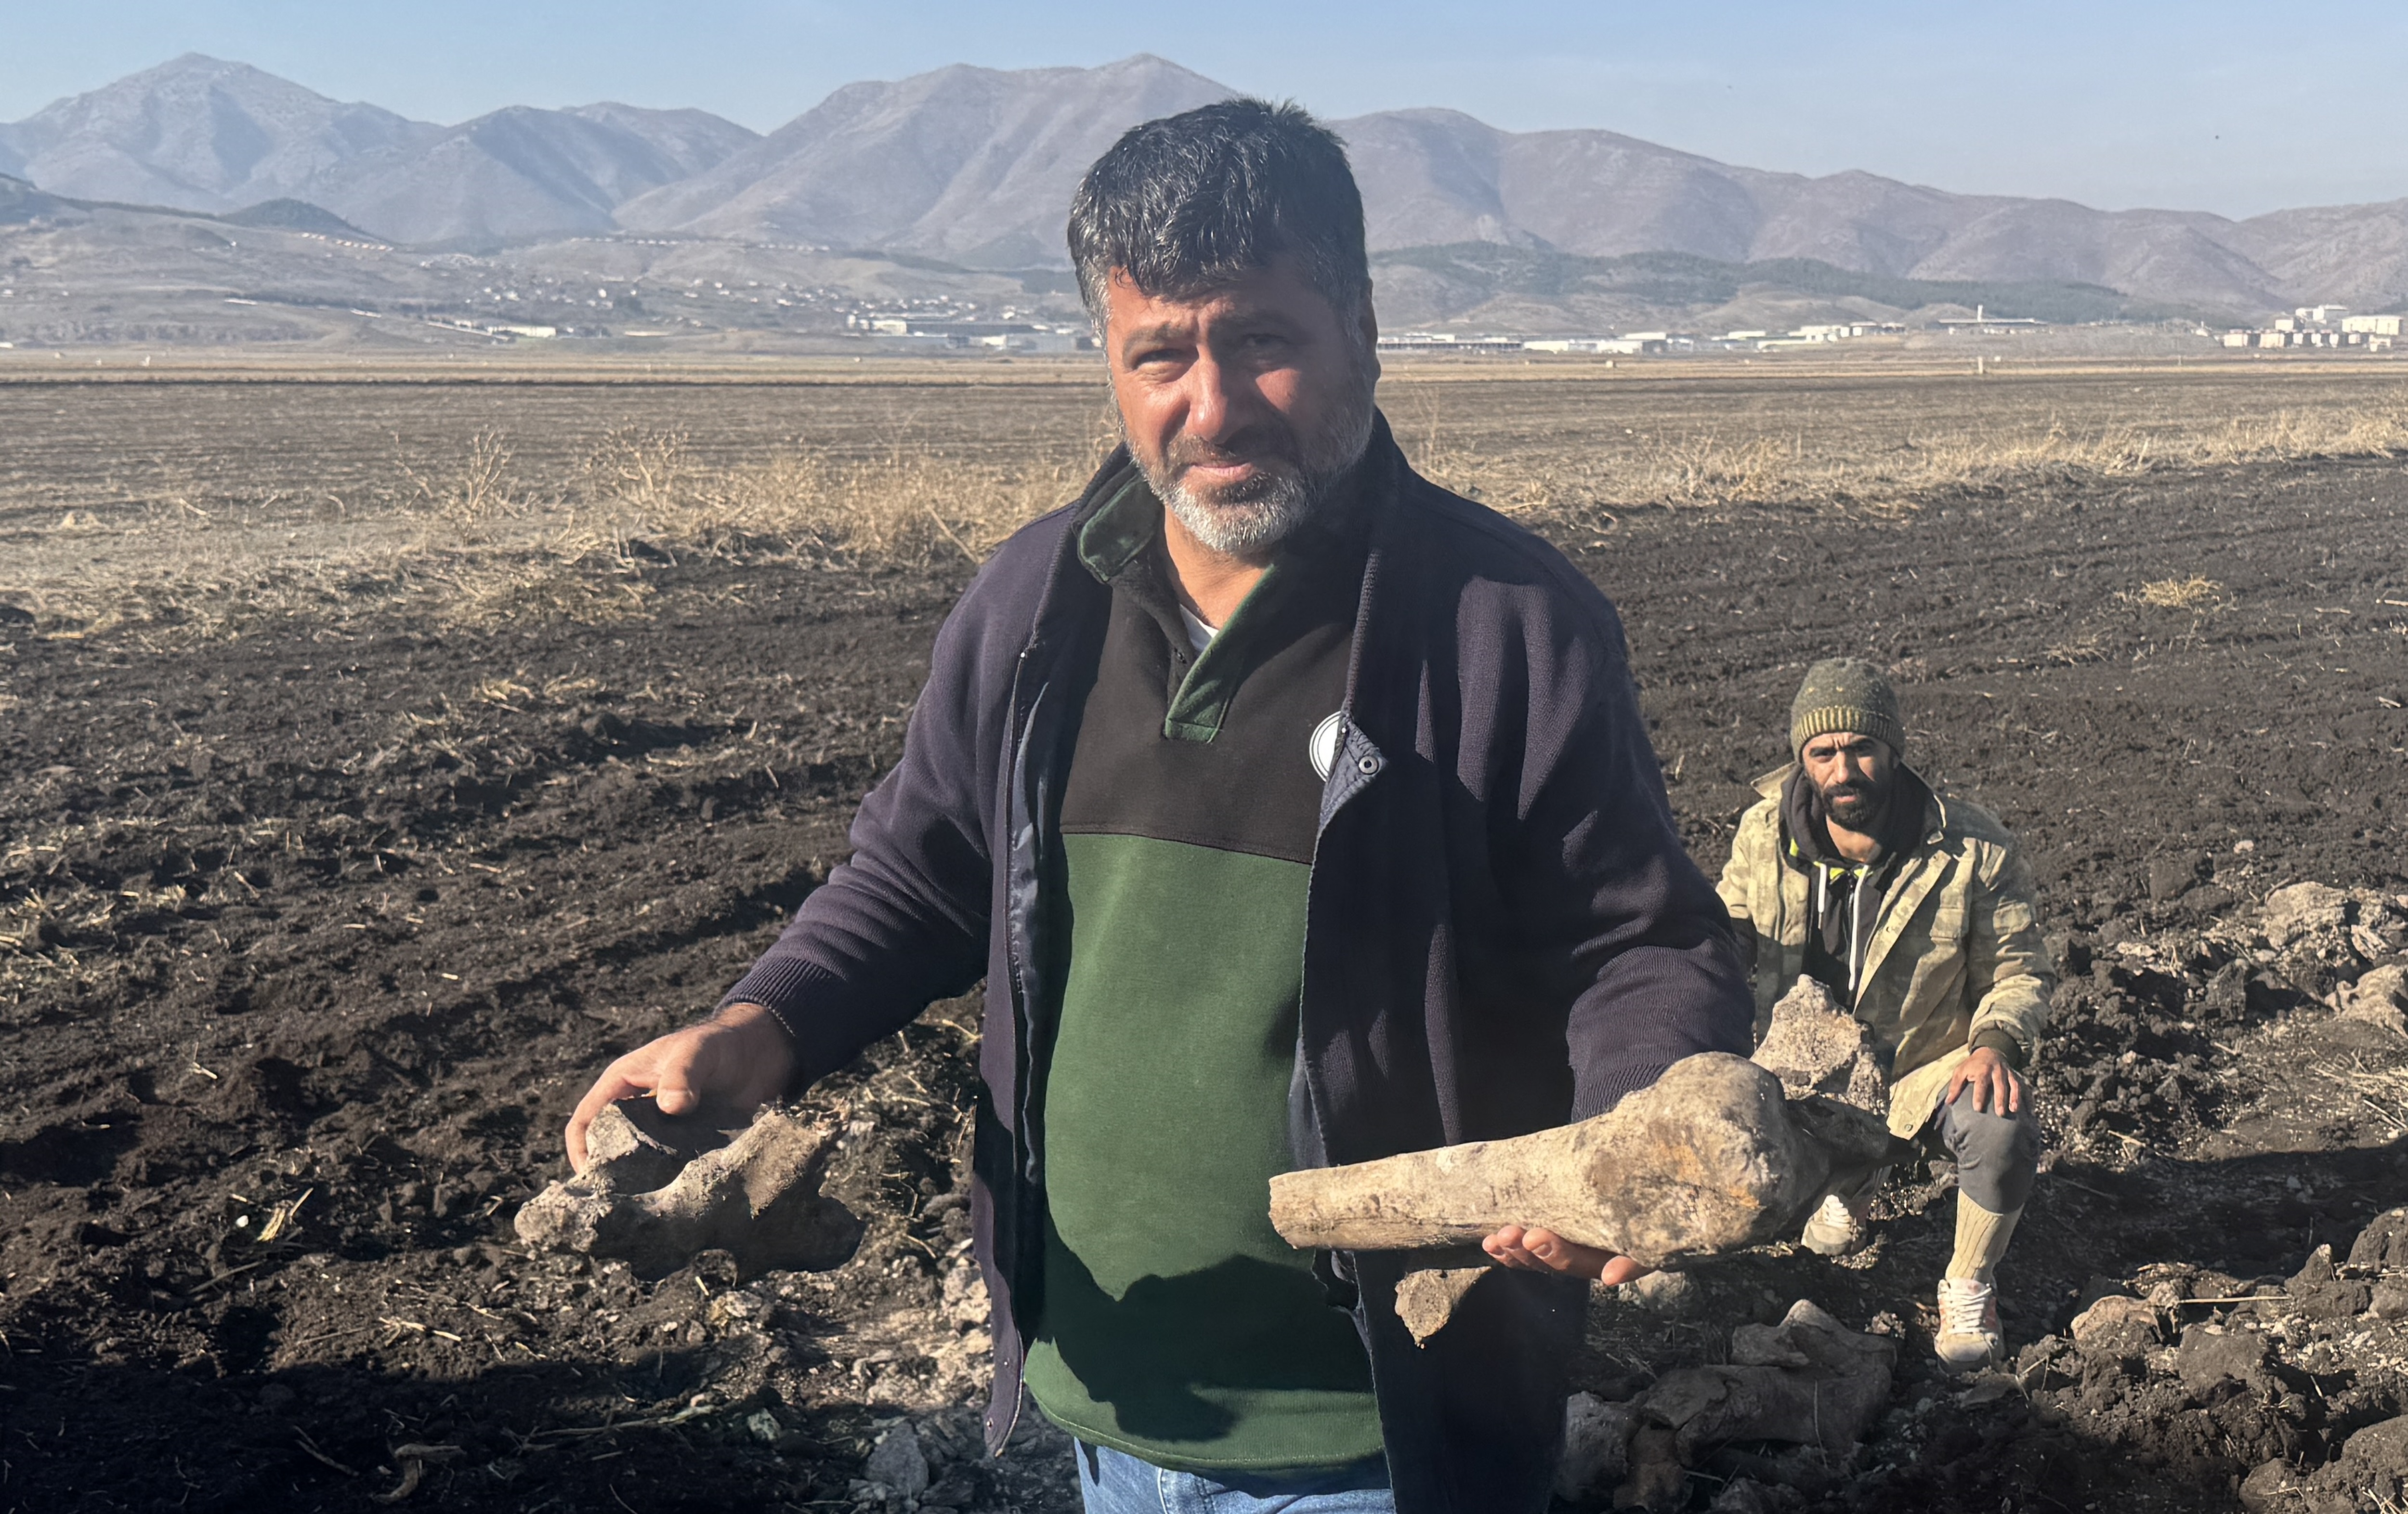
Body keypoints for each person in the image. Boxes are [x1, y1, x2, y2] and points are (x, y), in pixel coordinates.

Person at [563, 99, 1751, 1514]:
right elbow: (925, 869)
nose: (1216, 404)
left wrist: (1638, 1127)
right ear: (1109, 365)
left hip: (1373, 1434)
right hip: (1109, 1396)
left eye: (1262, 341)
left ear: (1361, 328)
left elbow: (1637, 943)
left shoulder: (1506, 627)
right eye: (1162, 355)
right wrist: (766, 1024)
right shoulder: (1034, 606)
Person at [1715, 658, 2051, 1373]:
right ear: (1803, 760)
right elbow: (1728, 929)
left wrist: (1994, 1045)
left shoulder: (1972, 849)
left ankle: (1968, 1282)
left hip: (1920, 1074)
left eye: (1862, 748)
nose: (1845, 770)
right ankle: (1847, 1182)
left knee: (2002, 1128)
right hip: (1799, 1074)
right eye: (1824, 753)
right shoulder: (1761, 835)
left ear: (1894, 749)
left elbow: (2018, 968)